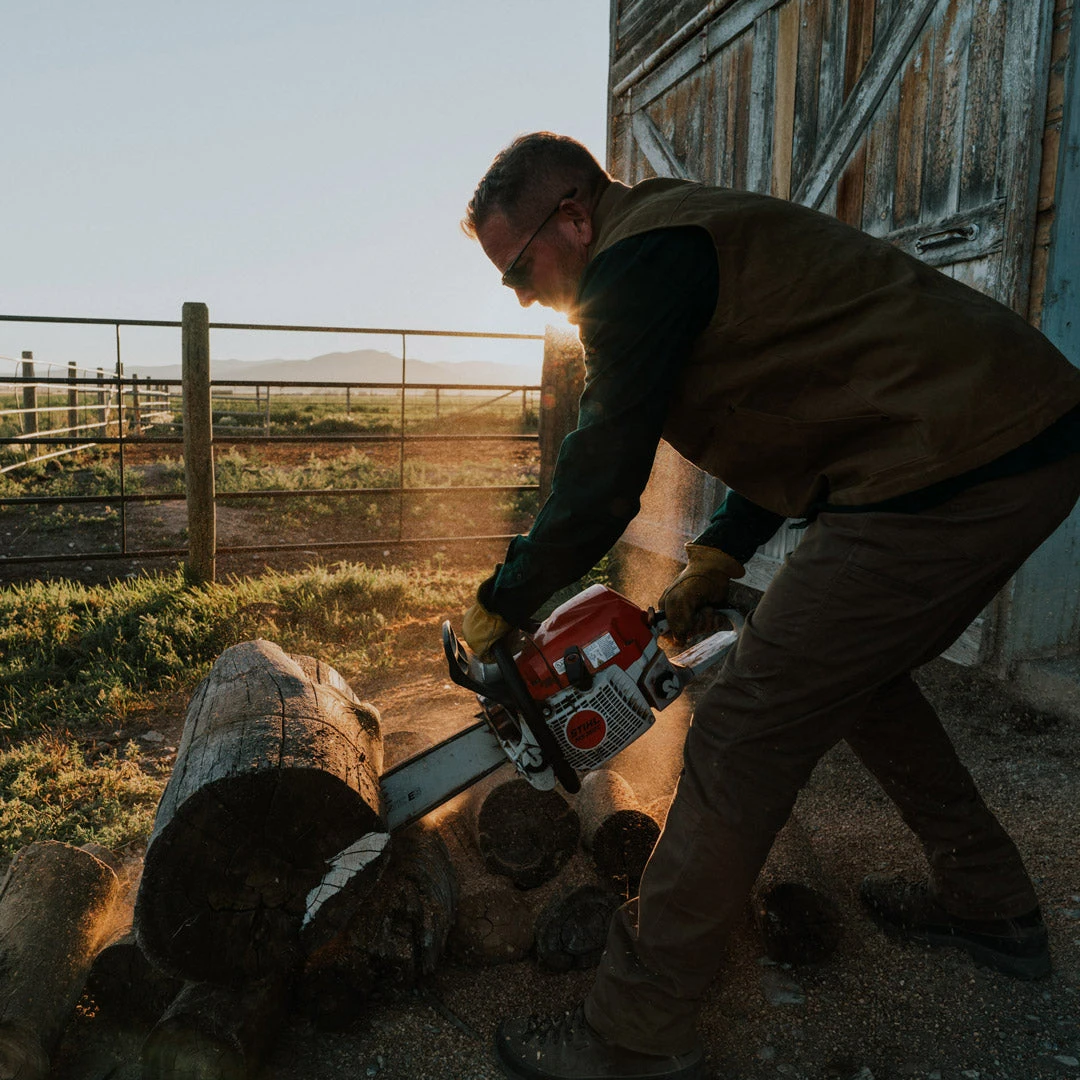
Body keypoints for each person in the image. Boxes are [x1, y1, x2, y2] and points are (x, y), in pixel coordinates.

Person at [459, 131, 1080, 1080]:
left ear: (574, 216)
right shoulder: (675, 237)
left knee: (742, 725)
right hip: (978, 441)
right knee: (852, 675)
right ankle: (990, 906)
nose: (520, 294)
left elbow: (604, 472)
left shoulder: (639, 264)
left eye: (519, 269)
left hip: (961, 459)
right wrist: (723, 548)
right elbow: (809, 403)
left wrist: (506, 595)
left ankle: (634, 1034)